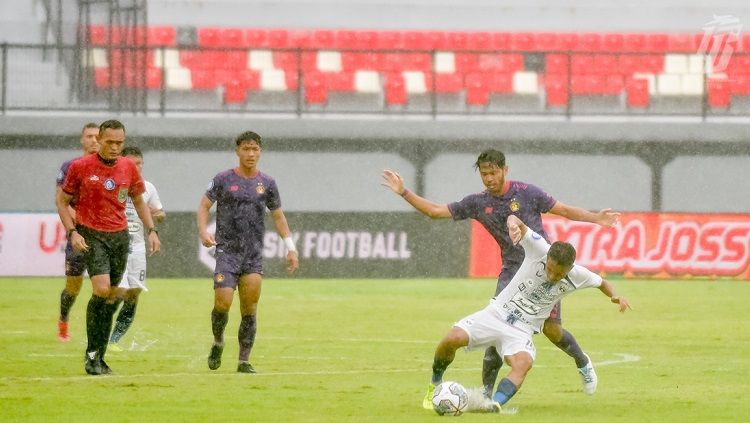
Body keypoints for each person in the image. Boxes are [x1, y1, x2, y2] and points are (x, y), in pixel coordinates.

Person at [381, 149, 620, 404]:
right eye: (484, 174)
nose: (489, 179)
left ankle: (582, 362)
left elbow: (562, 210)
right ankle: (487, 397)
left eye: (493, 172)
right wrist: (404, 192)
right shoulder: (477, 202)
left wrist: (595, 218)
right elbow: (435, 211)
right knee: (497, 331)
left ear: (505, 170)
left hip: (544, 269)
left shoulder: (527, 193)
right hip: (512, 271)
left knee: (552, 331)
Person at [428, 215, 631, 411]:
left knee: (524, 363)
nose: (551, 276)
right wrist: (512, 223)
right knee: (452, 338)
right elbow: (517, 221)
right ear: (547, 257)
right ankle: (434, 386)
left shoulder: (579, 275)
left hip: (522, 329)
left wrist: (616, 296)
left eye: (558, 274)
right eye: (549, 269)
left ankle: (493, 404)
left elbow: (602, 283)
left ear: (569, 269)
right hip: (496, 314)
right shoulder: (539, 248)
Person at [56, 119, 161, 375]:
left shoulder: (127, 167)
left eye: (119, 143)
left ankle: (99, 356)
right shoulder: (80, 167)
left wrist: (152, 231)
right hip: (92, 235)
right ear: (99, 140)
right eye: (110, 142)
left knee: (113, 295)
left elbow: (138, 199)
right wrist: (72, 232)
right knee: (102, 290)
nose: (114, 147)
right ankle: (91, 355)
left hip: (119, 236)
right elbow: (62, 201)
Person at [196, 130, 299, 374]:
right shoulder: (222, 179)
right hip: (227, 252)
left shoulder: (268, 183)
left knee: (249, 308)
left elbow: (278, 216)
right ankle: (218, 341)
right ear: (238, 151)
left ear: (260, 152)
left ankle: (244, 361)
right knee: (223, 303)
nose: (251, 154)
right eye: (246, 149)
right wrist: (203, 231)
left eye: (255, 149)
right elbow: (204, 206)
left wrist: (291, 248)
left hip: (252, 255)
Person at [108, 146, 166, 351]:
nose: (136, 167)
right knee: (118, 291)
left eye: (139, 163)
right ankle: (101, 330)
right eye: (132, 163)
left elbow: (160, 214)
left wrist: (153, 218)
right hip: (115, 244)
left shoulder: (148, 187)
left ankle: (114, 340)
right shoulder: (112, 184)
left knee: (133, 293)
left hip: (138, 247)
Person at [56, 122, 100, 342]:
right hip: (78, 234)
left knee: (104, 287)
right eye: (89, 136)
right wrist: (79, 224)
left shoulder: (109, 166)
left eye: (97, 136)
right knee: (73, 287)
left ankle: (97, 332)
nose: (93, 140)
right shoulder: (70, 166)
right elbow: (61, 201)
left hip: (103, 235)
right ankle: (63, 319)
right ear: (82, 140)